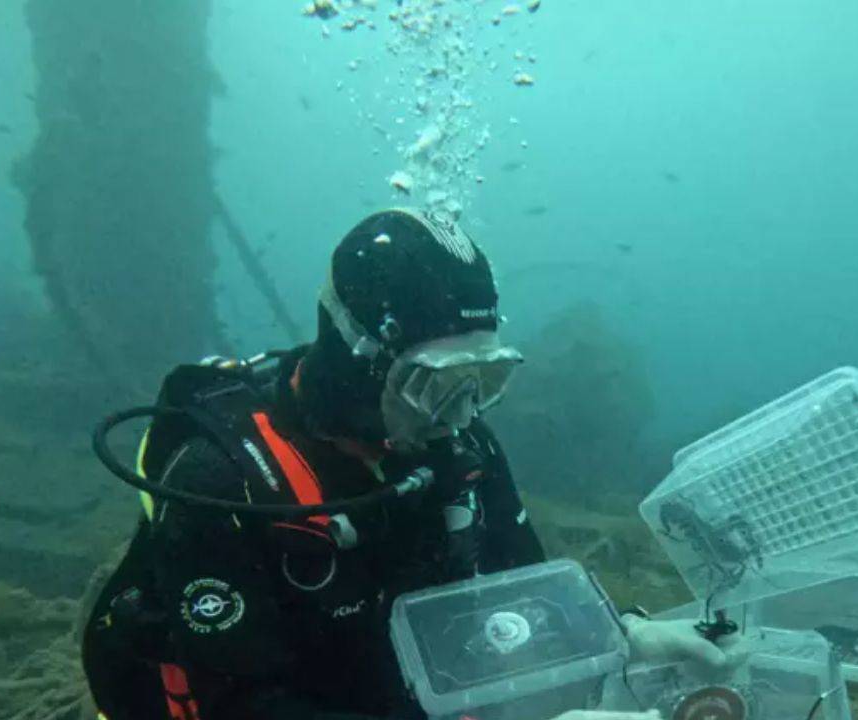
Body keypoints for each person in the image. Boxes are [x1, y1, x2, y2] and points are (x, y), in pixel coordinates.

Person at [81, 209, 738, 720]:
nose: (458, 413)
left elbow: (528, 587)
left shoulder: (463, 445)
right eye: (433, 383)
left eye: (483, 378)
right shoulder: (223, 481)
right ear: (355, 358)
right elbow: (241, 707)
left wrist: (616, 635)